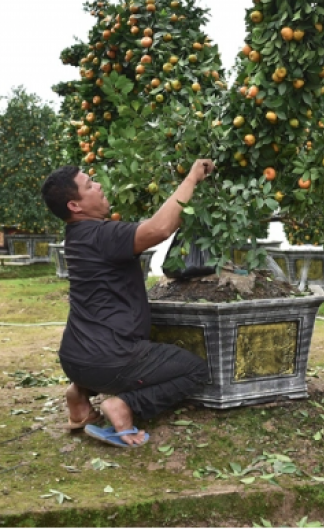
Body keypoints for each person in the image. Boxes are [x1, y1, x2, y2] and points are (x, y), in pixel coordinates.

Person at [39, 159, 214, 447]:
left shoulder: (76, 237)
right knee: (194, 370)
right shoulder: (103, 235)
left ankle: (79, 399)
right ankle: (124, 406)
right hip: (111, 359)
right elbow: (159, 229)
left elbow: (164, 223)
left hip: (74, 359)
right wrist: (192, 179)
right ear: (75, 206)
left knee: (101, 357)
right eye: (89, 185)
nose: (98, 185)